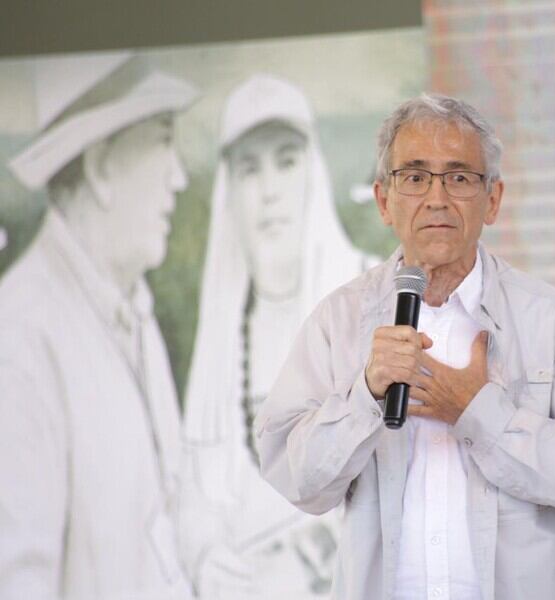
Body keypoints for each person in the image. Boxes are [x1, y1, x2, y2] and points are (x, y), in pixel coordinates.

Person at [254, 93, 555, 599]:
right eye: (415, 177)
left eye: (460, 177)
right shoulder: (339, 320)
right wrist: (365, 396)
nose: (437, 198)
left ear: (492, 200)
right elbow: (297, 481)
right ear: (383, 200)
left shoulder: (552, 320)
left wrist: (481, 413)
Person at [0, 52, 197, 598]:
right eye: (163, 140)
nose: (179, 177)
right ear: (101, 167)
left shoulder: (131, 308)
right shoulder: (18, 339)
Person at [180, 75, 370, 598]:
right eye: (249, 169)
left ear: (312, 173)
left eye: (285, 162)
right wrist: (204, 554)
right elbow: (195, 487)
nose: (269, 192)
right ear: (230, 193)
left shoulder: (379, 301)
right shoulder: (223, 329)